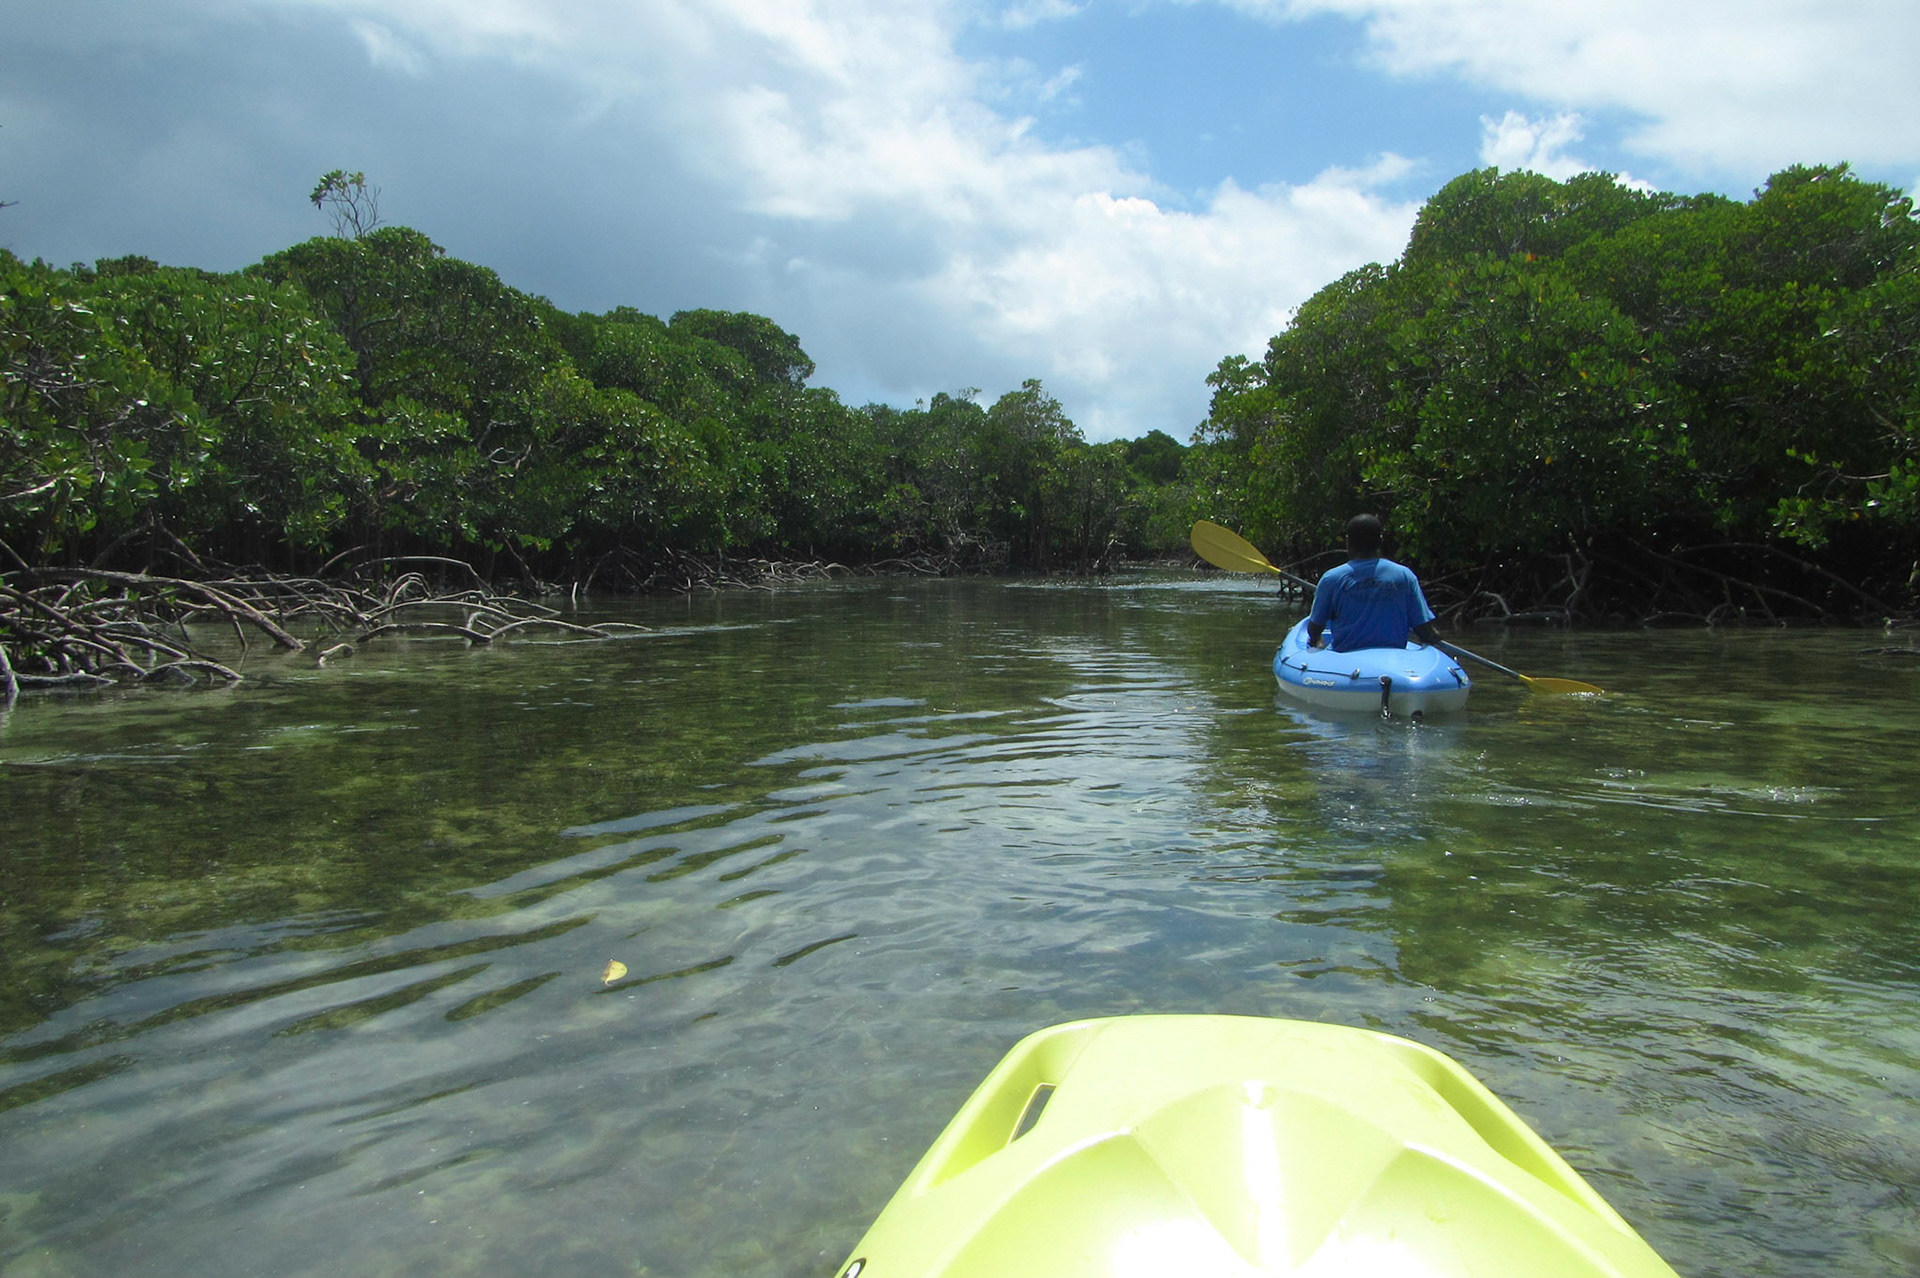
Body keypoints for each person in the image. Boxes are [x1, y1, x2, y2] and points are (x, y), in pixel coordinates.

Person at [1305, 514, 1439, 652]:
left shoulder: (1331, 578)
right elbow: (1424, 630)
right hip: (1394, 658)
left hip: (1346, 660)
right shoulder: (1405, 576)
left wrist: (1316, 641)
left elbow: (1314, 628)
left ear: (1348, 541)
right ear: (1380, 540)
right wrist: (1434, 636)